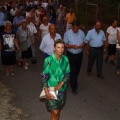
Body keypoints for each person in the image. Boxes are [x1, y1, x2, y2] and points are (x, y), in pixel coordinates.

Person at [42, 39, 70, 120]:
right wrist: (46, 92)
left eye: (62, 47)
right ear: (54, 48)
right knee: (55, 112)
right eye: (58, 47)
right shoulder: (48, 60)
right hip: (51, 90)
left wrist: (61, 84)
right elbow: (44, 77)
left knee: (58, 112)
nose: (61, 50)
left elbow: (67, 74)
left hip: (62, 90)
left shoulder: (66, 59)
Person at [63, 20, 85, 94]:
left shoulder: (81, 33)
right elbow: (64, 45)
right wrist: (72, 46)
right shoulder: (67, 34)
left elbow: (85, 42)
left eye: (77, 28)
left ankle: (74, 80)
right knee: (73, 71)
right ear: (72, 27)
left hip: (79, 54)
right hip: (71, 55)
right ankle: (74, 87)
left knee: (77, 70)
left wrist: (83, 44)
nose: (76, 30)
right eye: (75, 28)